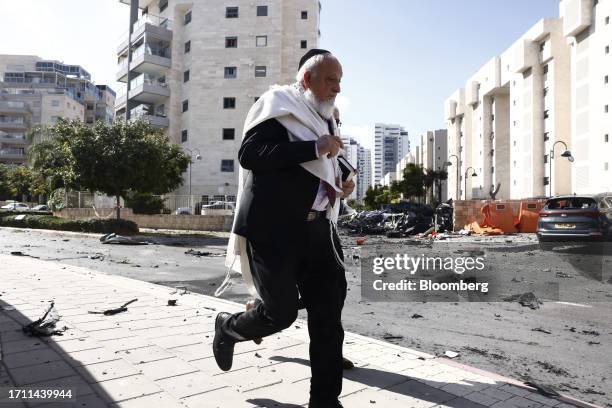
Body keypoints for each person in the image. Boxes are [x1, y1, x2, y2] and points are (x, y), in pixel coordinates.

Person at [214, 49, 353, 408]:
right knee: (281, 313)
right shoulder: (279, 104)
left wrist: (342, 181)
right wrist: (313, 146)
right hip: (273, 229)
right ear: (307, 79)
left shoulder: (327, 118)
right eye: (330, 79)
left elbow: (323, 168)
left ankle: (325, 401)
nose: (337, 87)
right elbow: (252, 154)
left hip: (320, 230)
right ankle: (230, 327)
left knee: (328, 315)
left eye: (339, 80)